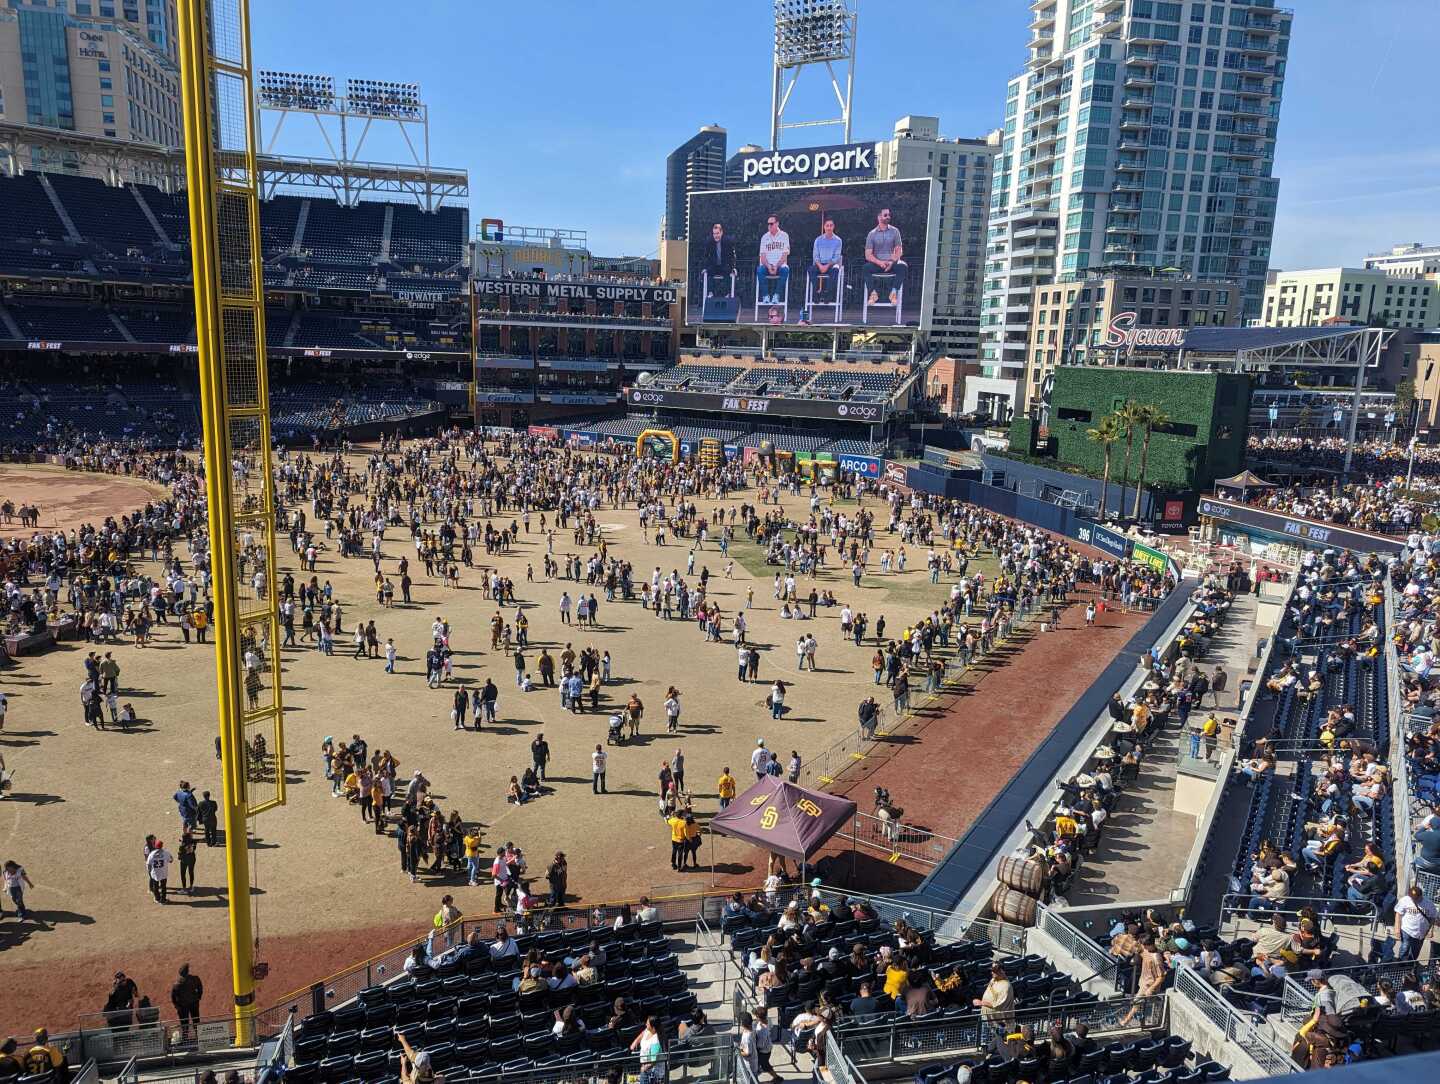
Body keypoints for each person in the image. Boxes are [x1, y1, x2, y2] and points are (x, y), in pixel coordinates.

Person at [863, 207, 907, 308]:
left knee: (903, 266)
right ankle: (873, 294)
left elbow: (899, 250)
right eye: (885, 215)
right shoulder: (872, 234)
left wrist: (892, 262)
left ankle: (893, 293)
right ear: (879, 217)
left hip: (892, 263)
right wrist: (880, 263)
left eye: (889, 215)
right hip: (878, 264)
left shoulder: (895, 231)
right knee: (866, 268)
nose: (888, 217)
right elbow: (868, 255)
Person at [806, 218, 843, 315]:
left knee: (835, 270)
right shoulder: (818, 240)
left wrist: (827, 266)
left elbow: (837, 257)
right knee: (811, 269)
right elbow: (815, 256)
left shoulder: (838, 240)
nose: (829, 228)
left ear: (833, 227)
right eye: (827, 225)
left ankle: (827, 293)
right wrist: (820, 265)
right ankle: (817, 291)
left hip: (831, 264)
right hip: (819, 264)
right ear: (824, 227)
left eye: (831, 225)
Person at [1393, 884, 1438, 960]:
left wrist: (1430, 930)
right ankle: (1401, 964)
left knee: (1415, 951)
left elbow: (1433, 918)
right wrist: (1397, 928)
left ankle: (1410, 965)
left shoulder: (1429, 904)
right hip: (1406, 929)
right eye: (1413, 898)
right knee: (1405, 947)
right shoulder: (1405, 900)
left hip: (1420, 932)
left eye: (1416, 898)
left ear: (1421, 896)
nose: (1414, 900)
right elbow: (1398, 914)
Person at [756, 215, 791, 306]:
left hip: (780, 265)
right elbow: (762, 256)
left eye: (771, 223)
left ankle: (777, 295)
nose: (769, 226)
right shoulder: (764, 237)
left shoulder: (784, 235)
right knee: (759, 270)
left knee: (785, 269)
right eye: (768, 224)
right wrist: (769, 266)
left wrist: (776, 266)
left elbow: (785, 255)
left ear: (777, 224)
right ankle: (765, 295)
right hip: (767, 265)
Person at [701, 222, 736, 297]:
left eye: (717, 233)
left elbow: (732, 256)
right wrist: (705, 268)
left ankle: (727, 294)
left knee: (727, 271)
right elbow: (705, 256)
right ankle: (710, 293)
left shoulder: (728, 241)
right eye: (714, 234)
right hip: (714, 265)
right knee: (709, 272)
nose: (716, 236)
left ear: (721, 232)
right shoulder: (709, 242)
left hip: (724, 265)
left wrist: (733, 267)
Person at [170, 963, 204, 1041]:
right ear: (188, 971)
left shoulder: (177, 984)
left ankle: (185, 1039)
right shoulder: (195, 979)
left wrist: (176, 1006)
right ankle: (199, 1037)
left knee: (184, 1023)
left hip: (182, 1006)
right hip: (194, 1003)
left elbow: (173, 996)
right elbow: (200, 988)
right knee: (196, 1020)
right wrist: (198, 997)